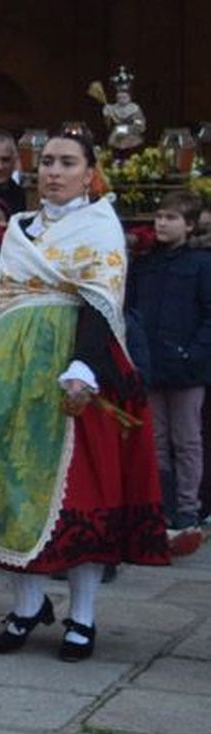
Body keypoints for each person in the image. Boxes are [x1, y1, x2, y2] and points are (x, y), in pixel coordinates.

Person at [0, 131, 172, 662]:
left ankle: (82, 615)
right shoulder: (20, 229)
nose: (54, 172)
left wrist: (84, 366)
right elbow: (0, 301)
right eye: (46, 162)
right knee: (9, 484)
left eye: (67, 163)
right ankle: (26, 605)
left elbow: (102, 300)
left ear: (90, 173)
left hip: (72, 365)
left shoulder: (100, 225)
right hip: (11, 367)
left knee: (78, 495)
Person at [127, 190, 211, 547]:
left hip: (187, 367)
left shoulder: (201, 264)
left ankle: (188, 508)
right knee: (157, 439)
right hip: (152, 363)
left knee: (187, 440)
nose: (162, 223)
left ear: (189, 225)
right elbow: (132, 309)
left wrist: (193, 353)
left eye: (171, 218)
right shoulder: (146, 263)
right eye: (159, 216)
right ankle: (161, 505)